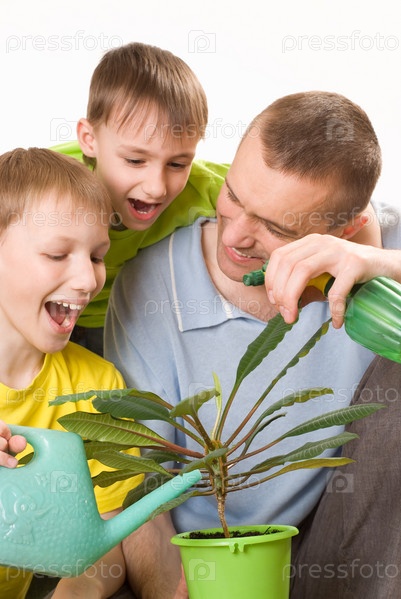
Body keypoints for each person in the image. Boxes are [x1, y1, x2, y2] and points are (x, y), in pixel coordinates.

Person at [103, 91, 401, 598]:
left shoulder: (377, 250)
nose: (236, 236)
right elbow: (137, 489)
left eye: (276, 227)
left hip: (332, 551)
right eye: (235, 197)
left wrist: (381, 265)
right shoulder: (150, 286)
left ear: (345, 229)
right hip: (201, 563)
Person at [0, 148, 141, 599]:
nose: (87, 280)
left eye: (97, 257)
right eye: (58, 253)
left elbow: (106, 534)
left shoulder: (97, 387)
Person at [52, 42, 229, 355]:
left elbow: (279, 193)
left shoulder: (208, 188)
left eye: (177, 164)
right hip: (43, 317)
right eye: (135, 161)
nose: (156, 188)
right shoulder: (45, 183)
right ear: (89, 140)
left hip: (122, 326)